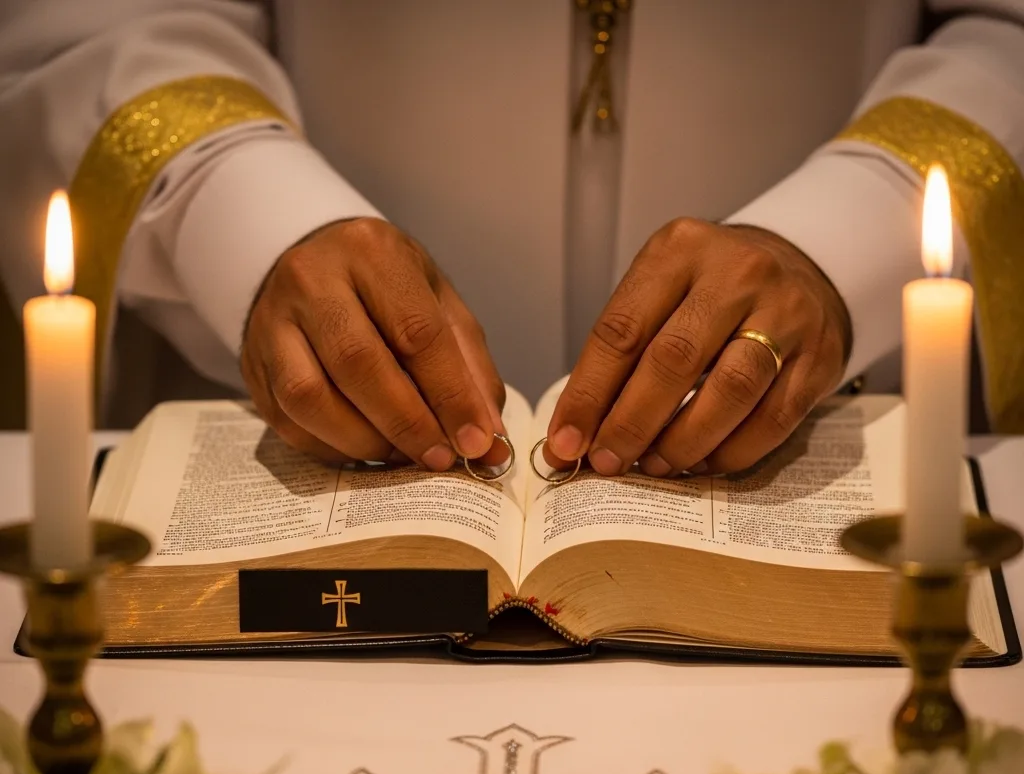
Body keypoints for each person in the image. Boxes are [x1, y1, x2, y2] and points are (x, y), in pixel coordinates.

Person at [0, 1, 1022, 476]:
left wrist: (847, 234)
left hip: (822, 429)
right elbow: (90, 18)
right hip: (289, 425)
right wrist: (251, 212)